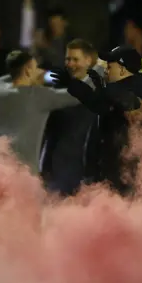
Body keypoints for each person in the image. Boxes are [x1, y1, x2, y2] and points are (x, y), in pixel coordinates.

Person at [51, 45, 142, 194]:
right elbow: (99, 104)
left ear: (123, 69)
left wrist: (106, 90)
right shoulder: (113, 90)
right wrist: (73, 85)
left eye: (110, 67)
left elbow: (130, 105)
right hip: (107, 175)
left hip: (130, 177)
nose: (106, 70)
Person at [0, 50, 80, 175]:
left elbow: (3, 79)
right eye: (36, 68)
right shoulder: (38, 96)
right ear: (27, 70)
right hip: (25, 177)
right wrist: (98, 70)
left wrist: (22, 73)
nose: (39, 71)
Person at [42, 39, 102, 195]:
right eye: (68, 59)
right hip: (61, 168)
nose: (70, 64)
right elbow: (50, 133)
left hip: (88, 170)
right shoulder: (58, 88)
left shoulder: (100, 89)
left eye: (75, 59)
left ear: (88, 61)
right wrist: (45, 165)